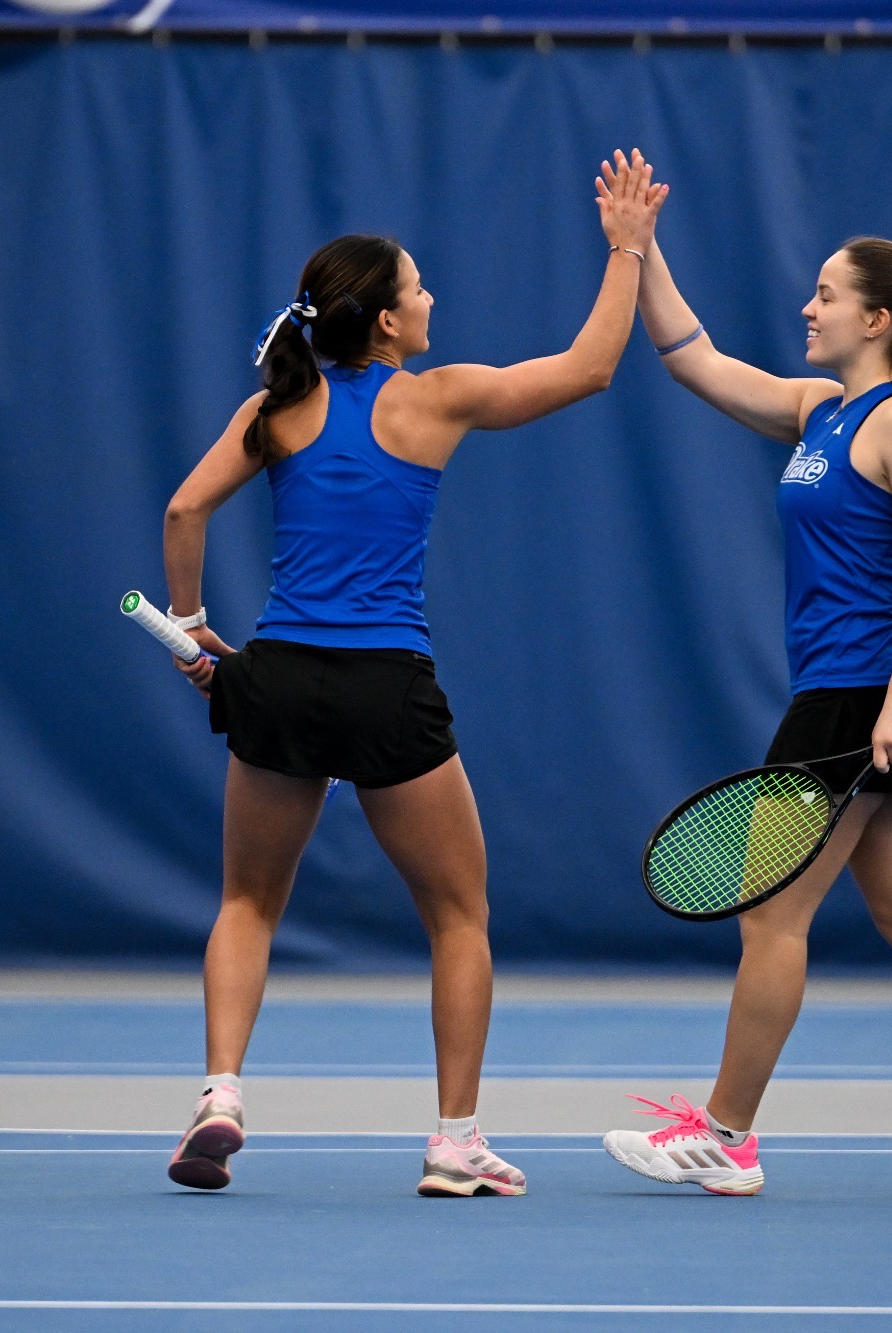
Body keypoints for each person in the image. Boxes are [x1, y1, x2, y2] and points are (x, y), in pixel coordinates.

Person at [160, 153, 666, 1196]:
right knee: (458, 915)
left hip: (278, 676)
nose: (432, 298)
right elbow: (589, 368)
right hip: (385, 683)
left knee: (247, 901)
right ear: (387, 322)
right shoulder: (437, 399)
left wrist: (194, 631)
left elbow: (183, 509)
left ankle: (220, 1093)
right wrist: (626, 250)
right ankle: (454, 1142)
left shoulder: (276, 408)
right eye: (420, 288)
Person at [600, 157, 892, 1197]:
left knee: (769, 916)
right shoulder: (822, 411)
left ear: (877, 320)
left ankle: (726, 1136)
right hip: (858, 697)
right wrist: (639, 249)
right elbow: (694, 360)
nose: (806, 308)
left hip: (864, 700)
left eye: (825, 294)